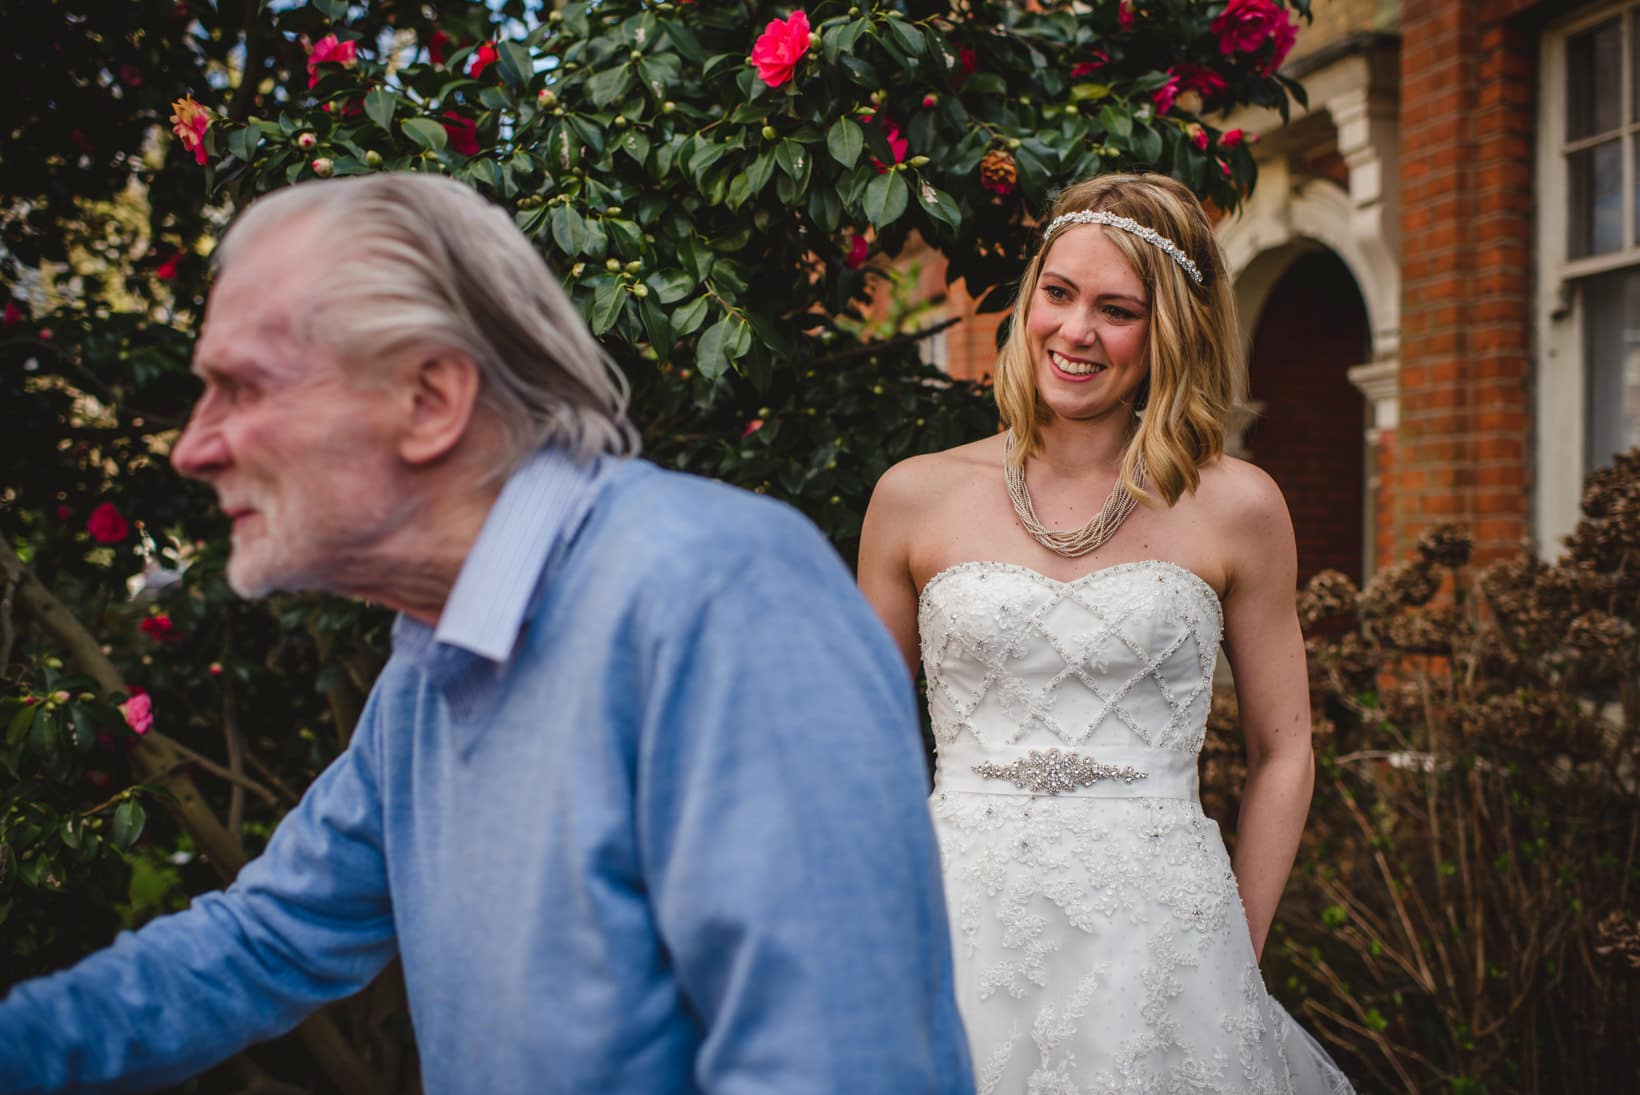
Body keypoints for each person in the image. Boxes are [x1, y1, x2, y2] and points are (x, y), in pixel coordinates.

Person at [0, 173, 973, 1094]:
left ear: (428, 402)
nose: (194, 446)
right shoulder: (430, 665)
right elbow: (263, 942)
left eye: (243, 388)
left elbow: (837, 1064)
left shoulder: (716, 597)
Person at [858, 173, 1354, 1093]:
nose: (1075, 331)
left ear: (1167, 333)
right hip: (952, 930)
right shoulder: (912, 496)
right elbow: (862, 750)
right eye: (1058, 293)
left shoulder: (1239, 507)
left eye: (1115, 309)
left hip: (1166, 949)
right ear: (1028, 300)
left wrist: (1226, 956)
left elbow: (1284, 749)